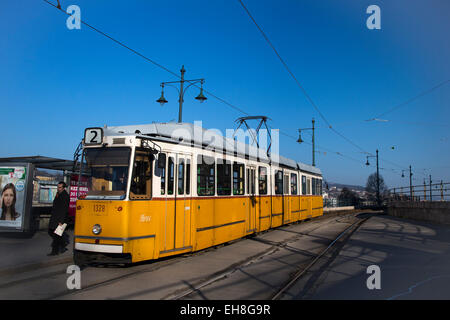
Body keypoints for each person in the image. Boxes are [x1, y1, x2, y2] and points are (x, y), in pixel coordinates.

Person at [48, 181, 70, 256]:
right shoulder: (58, 194)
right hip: (55, 218)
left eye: (60, 187)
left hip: (61, 219)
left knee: (57, 236)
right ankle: (63, 244)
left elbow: (64, 210)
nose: (58, 188)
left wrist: (61, 221)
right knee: (51, 232)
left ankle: (54, 251)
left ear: (63, 188)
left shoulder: (65, 196)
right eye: (58, 187)